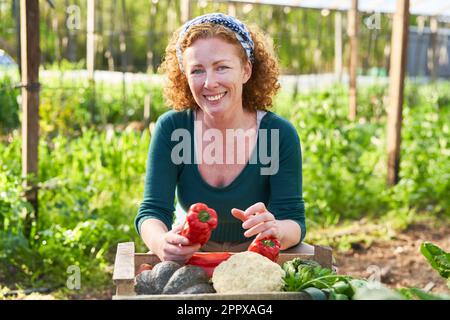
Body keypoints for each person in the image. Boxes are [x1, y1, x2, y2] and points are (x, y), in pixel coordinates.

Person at [135, 13, 306, 263]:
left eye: (221, 67)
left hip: (260, 253)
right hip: (192, 251)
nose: (209, 83)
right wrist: (161, 243)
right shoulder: (172, 129)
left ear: (246, 70)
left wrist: (278, 229)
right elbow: (152, 211)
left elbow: (294, 221)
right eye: (197, 71)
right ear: (185, 76)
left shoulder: (278, 134)